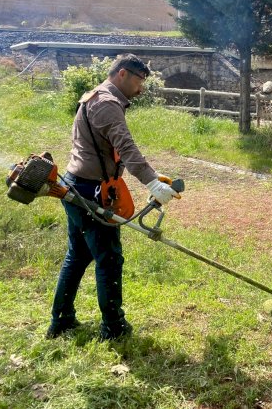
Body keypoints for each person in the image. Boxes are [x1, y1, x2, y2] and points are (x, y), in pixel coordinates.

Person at [46, 54, 180, 341]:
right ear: (123, 74)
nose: (141, 89)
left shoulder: (97, 96)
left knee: (79, 254)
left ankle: (62, 321)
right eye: (139, 80)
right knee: (108, 259)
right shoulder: (107, 104)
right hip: (90, 189)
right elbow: (127, 148)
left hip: (77, 184)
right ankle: (113, 328)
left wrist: (153, 176)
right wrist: (153, 183)